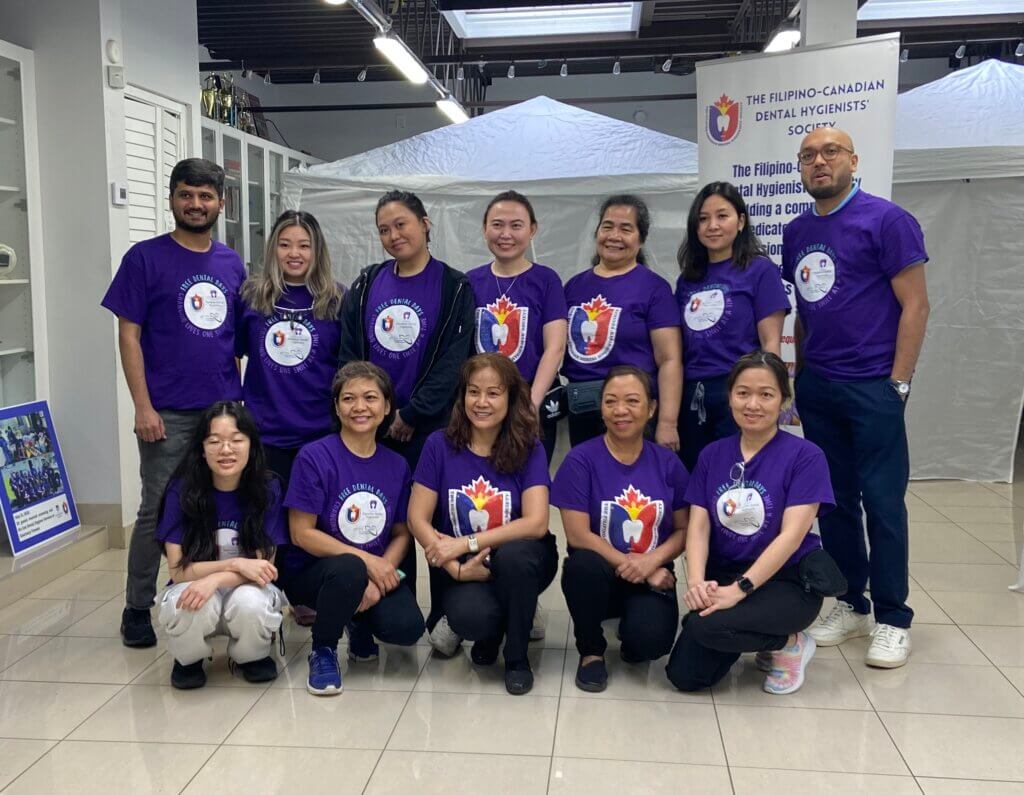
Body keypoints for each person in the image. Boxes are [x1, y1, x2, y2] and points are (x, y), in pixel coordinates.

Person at [783, 128, 929, 669]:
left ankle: (893, 618)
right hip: (820, 385)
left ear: (852, 160)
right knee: (836, 500)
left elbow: (915, 306)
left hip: (874, 387)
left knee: (884, 504)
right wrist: (800, 378)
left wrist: (899, 383)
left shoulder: (887, 221)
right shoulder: (797, 231)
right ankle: (852, 603)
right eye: (808, 157)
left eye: (830, 153)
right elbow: (805, 309)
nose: (819, 163)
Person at [102, 158, 246, 649]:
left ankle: (220, 591)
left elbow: (237, 338)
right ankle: (136, 606)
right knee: (157, 507)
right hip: (167, 411)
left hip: (223, 409)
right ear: (171, 198)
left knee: (222, 503)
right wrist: (142, 407)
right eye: (187, 194)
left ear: (220, 204)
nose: (196, 204)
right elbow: (128, 335)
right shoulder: (144, 259)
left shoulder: (231, 262)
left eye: (206, 197)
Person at [665, 352, 835, 694]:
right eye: (743, 393)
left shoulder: (806, 457)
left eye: (766, 394)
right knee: (684, 677)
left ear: (784, 401)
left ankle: (789, 642)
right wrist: (697, 582)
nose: (753, 404)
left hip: (787, 581)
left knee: (706, 628)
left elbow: (791, 536)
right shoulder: (712, 454)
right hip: (725, 573)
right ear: (729, 398)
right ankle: (760, 637)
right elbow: (698, 526)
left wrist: (739, 591)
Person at [407, 354, 557, 695]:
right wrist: (454, 566)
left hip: (523, 560)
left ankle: (517, 657)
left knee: (514, 559)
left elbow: (536, 523)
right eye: (473, 392)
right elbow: (417, 518)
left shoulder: (529, 446)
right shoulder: (438, 444)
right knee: (471, 617)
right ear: (462, 397)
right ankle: (496, 627)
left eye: (493, 393)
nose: (482, 402)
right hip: (465, 567)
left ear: (511, 397)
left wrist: (465, 543)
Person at [279, 362, 425, 695]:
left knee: (407, 628)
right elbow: (301, 533)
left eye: (370, 397)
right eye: (348, 399)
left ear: (387, 406)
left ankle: (355, 618)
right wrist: (365, 564)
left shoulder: (397, 464)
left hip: (372, 570)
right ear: (336, 406)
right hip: (316, 573)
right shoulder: (313, 457)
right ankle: (324, 650)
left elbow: (403, 532)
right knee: (348, 569)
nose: (360, 407)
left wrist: (382, 569)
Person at [552, 366, 689, 693]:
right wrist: (636, 566)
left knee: (649, 646)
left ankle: (632, 626)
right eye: (611, 401)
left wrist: (651, 562)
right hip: (599, 569)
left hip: (651, 568)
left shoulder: (668, 463)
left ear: (651, 408)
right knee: (580, 565)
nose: (620, 410)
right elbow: (577, 535)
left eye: (632, 401)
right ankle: (590, 650)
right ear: (601, 408)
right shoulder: (580, 460)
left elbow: (684, 531)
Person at [337, 190, 475, 471]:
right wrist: (369, 409)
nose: (393, 236)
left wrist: (413, 414)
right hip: (370, 425)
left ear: (425, 224)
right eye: (384, 230)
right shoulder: (366, 283)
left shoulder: (454, 287)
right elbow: (349, 353)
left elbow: (453, 360)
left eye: (401, 225)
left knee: (420, 511)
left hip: (427, 430)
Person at [155, 401, 287, 689]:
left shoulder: (268, 489)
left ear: (251, 445)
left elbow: (264, 569)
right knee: (185, 601)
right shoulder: (182, 489)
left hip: (244, 588)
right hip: (197, 586)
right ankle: (188, 659)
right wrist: (235, 563)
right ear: (201, 448)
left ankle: (251, 656)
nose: (226, 450)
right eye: (214, 441)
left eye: (236, 440)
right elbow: (178, 571)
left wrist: (215, 578)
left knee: (251, 602)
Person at [676, 182, 790, 471]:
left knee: (739, 475)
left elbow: (771, 343)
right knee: (696, 478)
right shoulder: (688, 279)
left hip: (739, 392)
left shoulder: (759, 270)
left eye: (722, 216)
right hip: (691, 395)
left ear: (740, 222)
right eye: (703, 219)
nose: (712, 226)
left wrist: (768, 396)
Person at [562, 195, 682, 449]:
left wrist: (667, 423)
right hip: (583, 409)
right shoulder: (573, 286)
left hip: (632, 414)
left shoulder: (654, 289)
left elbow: (669, 359)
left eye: (626, 229)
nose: (614, 236)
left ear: (641, 239)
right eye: (607, 226)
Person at [238, 210, 344, 485]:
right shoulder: (251, 296)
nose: (294, 253)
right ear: (274, 248)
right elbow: (233, 354)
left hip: (321, 435)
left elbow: (348, 368)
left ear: (317, 250)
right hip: (265, 436)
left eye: (304, 245)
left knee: (314, 523)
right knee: (269, 522)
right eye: (285, 244)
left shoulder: (338, 300)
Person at [466, 190, 567, 463]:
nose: (506, 234)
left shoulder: (546, 280)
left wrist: (531, 404)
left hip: (531, 398)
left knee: (529, 485)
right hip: (482, 404)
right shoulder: (470, 281)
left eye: (516, 225)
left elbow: (555, 347)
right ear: (484, 228)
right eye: (497, 225)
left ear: (532, 229)